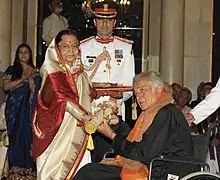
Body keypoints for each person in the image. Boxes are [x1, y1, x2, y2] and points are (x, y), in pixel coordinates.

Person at [73, 72, 194, 180]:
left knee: (90, 173)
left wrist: (111, 135)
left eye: (142, 90)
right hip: (148, 164)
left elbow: (142, 153)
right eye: (136, 93)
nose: (139, 96)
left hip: (160, 169)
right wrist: (118, 124)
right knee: (90, 171)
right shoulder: (154, 111)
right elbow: (136, 140)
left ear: (158, 89)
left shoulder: (165, 113)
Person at [33, 29, 99, 179]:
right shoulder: (52, 71)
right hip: (55, 131)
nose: (71, 50)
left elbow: (89, 97)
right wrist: (83, 116)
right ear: (57, 49)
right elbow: (61, 98)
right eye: (65, 46)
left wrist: (103, 108)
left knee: (80, 171)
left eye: (75, 46)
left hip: (78, 131)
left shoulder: (80, 73)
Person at [80, 0, 135, 162]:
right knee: (90, 157)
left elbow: (129, 83)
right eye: (101, 19)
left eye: (109, 20)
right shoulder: (83, 47)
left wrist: (112, 103)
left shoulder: (125, 47)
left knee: (113, 158)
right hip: (89, 110)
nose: (104, 24)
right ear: (95, 21)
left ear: (115, 22)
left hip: (115, 111)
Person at [2, 43, 41, 179]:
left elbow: (35, 91)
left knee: (28, 137)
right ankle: (15, 172)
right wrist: (22, 79)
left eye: (26, 52)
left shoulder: (36, 71)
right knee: (15, 137)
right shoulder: (12, 70)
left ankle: (29, 172)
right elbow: (6, 87)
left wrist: (30, 78)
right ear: (17, 55)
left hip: (29, 109)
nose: (24, 54)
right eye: (21, 52)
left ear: (30, 54)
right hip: (14, 109)